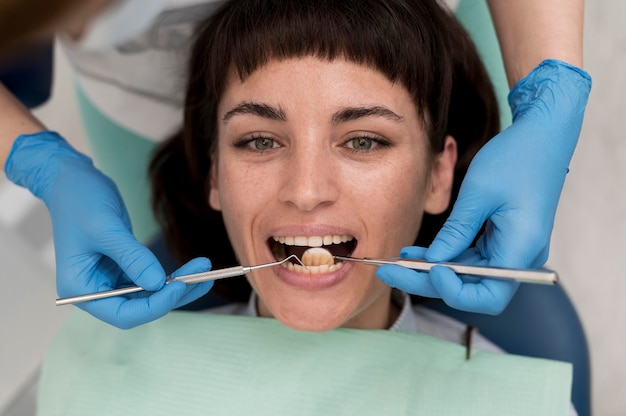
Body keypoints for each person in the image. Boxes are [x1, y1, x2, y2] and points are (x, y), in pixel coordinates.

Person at [0, 0, 591, 329]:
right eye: (258, 142)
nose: (306, 192)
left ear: (442, 173)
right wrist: (39, 159)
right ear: (210, 172)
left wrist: (551, 90)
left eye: (364, 142)